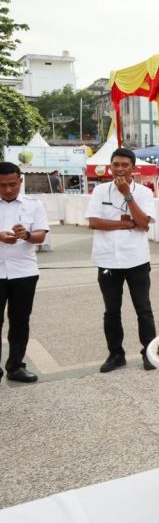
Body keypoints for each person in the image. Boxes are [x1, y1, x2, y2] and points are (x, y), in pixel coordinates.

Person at [86, 147, 157, 373]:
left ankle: (148, 353)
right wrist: (126, 224)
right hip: (107, 260)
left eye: (125, 165)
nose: (119, 169)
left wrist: (128, 194)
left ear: (133, 169)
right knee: (111, 310)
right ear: (110, 166)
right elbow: (94, 223)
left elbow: (144, 223)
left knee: (143, 309)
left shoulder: (144, 193)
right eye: (115, 164)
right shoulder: (100, 191)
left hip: (136, 259)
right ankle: (116, 354)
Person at [0, 162, 49, 384]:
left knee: (20, 321)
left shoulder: (34, 205)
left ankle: (16, 366)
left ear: (21, 181)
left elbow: (41, 235)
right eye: (2, 185)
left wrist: (26, 235)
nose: (8, 189)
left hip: (24, 272)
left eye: (12, 184)